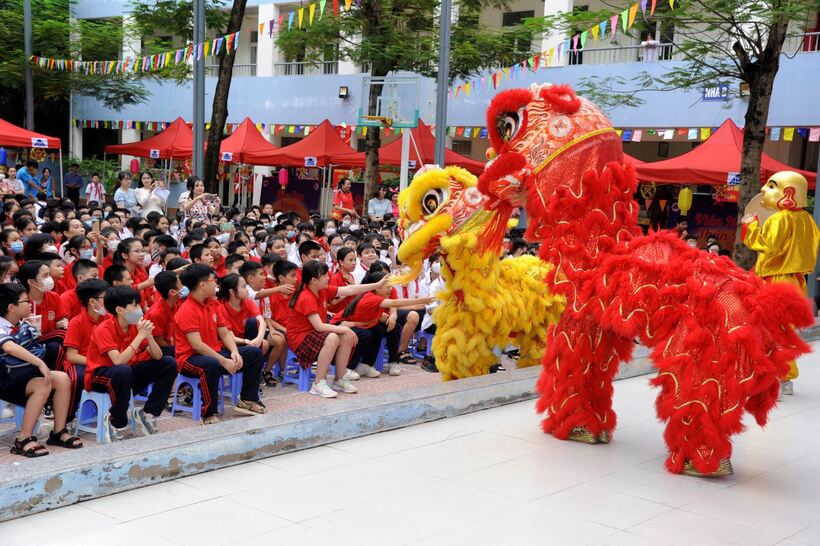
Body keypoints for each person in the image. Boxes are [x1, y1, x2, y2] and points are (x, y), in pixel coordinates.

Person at [742, 171, 820, 395]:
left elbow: (767, 244)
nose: (764, 190)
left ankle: (774, 377)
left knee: (770, 330)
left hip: (777, 281)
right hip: (796, 281)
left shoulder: (780, 218)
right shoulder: (807, 219)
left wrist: (751, 227)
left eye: (771, 186)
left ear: (788, 194)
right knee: (785, 330)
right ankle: (784, 377)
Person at [84, 286, 178, 442]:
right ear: (120, 310)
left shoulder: (134, 327)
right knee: (123, 370)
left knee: (168, 363)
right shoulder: (104, 328)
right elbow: (118, 361)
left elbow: (158, 355)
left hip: (125, 374)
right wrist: (140, 337)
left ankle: (148, 413)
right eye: (135, 305)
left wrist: (149, 337)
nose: (139, 309)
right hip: (100, 376)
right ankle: (116, 422)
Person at [175, 264, 265, 424]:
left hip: (214, 352)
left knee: (254, 353)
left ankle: (247, 400)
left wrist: (234, 351)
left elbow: (225, 333)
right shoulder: (187, 310)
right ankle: (208, 414)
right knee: (211, 364)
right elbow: (197, 345)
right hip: (190, 358)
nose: (216, 284)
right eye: (213, 281)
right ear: (203, 285)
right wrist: (224, 361)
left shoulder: (212, 304)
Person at [0, 283, 82, 457]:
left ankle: (58, 432)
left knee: (62, 379)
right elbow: (9, 347)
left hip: (21, 375)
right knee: (42, 385)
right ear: (11, 307)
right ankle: (23, 439)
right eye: (25, 301)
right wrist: (40, 363)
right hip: (5, 379)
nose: (30, 304)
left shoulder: (22, 324)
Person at [286, 260, 388, 398]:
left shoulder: (321, 290)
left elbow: (350, 290)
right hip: (299, 338)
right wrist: (344, 328)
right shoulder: (306, 297)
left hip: (315, 333)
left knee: (344, 338)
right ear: (314, 280)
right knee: (333, 337)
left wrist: (376, 285)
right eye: (324, 275)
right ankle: (318, 383)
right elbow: (319, 326)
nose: (328, 277)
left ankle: (339, 379)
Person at [333, 269, 434, 377]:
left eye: (391, 286)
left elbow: (369, 319)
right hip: (342, 324)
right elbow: (395, 303)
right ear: (377, 287)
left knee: (381, 329)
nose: (391, 289)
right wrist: (422, 300)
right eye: (388, 287)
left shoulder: (381, 295)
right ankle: (348, 368)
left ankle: (367, 365)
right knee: (366, 334)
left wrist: (385, 317)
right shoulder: (371, 297)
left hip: (358, 323)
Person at [63, 278, 110, 426]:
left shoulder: (110, 318)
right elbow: (71, 355)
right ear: (92, 302)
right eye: (105, 297)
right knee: (77, 378)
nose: (110, 300)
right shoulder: (76, 322)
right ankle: (67, 419)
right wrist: (95, 362)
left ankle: (113, 414)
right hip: (82, 361)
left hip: (103, 361)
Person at [144, 270, 186, 356]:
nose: (185, 286)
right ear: (172, 292)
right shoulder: (156, 314)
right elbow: (160, 342)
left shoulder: (176, 302)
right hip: (160, 350)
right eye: (182, 284)